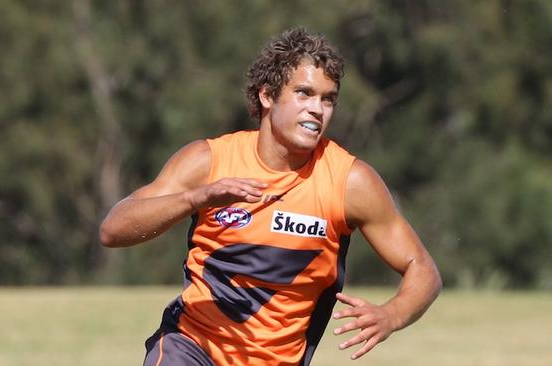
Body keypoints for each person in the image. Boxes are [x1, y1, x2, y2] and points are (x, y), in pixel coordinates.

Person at [100, 27, 441, 366]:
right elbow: (113, 230)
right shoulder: (209, 161)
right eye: (304, 93)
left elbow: (423, 270)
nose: (317, 109)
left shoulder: (350, 182)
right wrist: (196, 199)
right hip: (190, 347)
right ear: (267, 95)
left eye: (328, 99)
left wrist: (391, 316)